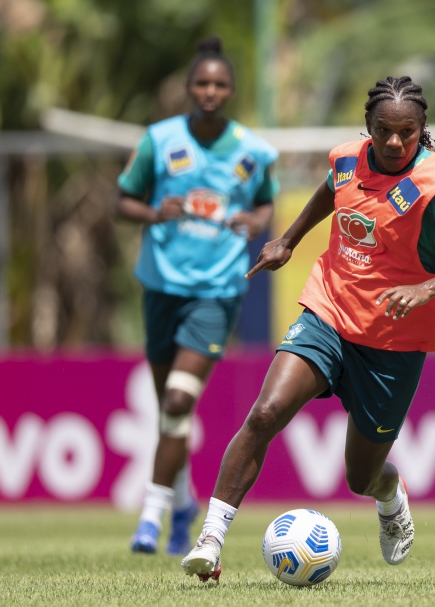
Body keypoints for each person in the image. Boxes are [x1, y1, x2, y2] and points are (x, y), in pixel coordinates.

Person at [180, 75, 435, 582]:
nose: (394, 142)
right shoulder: (347, 159)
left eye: (407, 132)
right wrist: (288, 240)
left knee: (361, 477)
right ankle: (210, 541)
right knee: (265, 413)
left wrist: (427, 288)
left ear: (422, 128)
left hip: (393, 344)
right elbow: (331, 191)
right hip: (328, 312)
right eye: (383, 130)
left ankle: (389, 494)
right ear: (367, 125)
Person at [115, 36, 280, 556]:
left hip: (217, 291)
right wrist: (153, 212)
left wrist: (254, 221)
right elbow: (123, 201)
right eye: (202, 83)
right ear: (189, 87)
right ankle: (183, 503)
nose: (211, 91)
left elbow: (265, 205)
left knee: (179, 399)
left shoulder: (253, 151)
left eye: (220, 84)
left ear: (231, 90)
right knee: (173, 413)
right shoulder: (159, 140)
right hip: (162, 287)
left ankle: (150, 517)